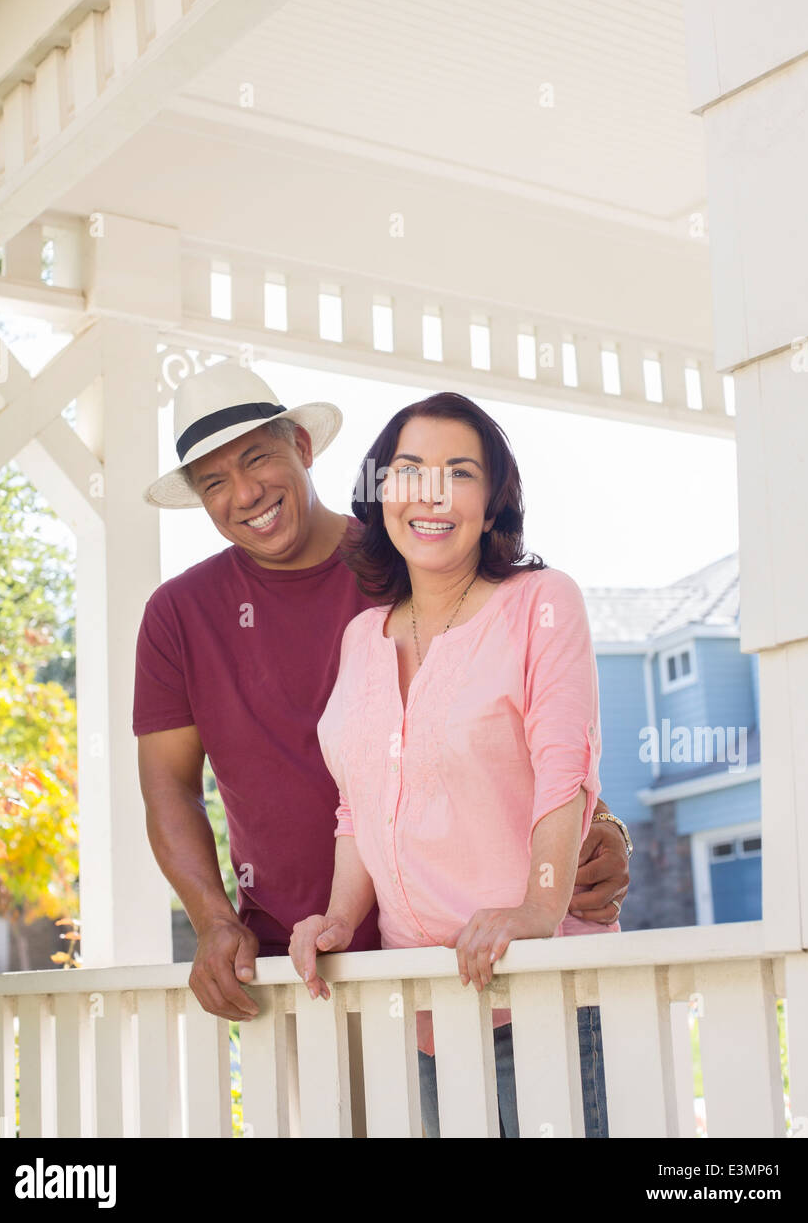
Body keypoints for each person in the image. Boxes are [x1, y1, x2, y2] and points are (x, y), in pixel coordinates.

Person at [133, 360, 630, 1132]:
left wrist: (585, 851)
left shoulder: (417, 552)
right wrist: (212, 920)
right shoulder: (187, 615)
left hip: (486, 967)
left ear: (301, 445)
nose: (245, 494)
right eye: (212, 482)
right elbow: (176, 787)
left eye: (259, 457)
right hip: (311, 967)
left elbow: (547, 731)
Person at [289, 391, 621, 1137]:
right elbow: (359, 806)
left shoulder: (540, 602)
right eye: (409, 470)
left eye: (459, 472)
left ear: (493, 501)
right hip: (424, 1012)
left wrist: (537, 910)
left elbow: (565, 771)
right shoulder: (361, 637)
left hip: (542, 999)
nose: (432, 492)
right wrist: (341, 919)